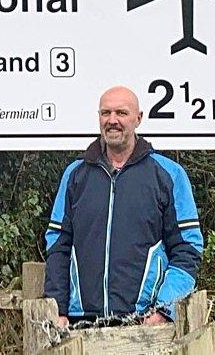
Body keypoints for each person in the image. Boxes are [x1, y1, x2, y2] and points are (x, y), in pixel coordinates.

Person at [44, 86, 203, 327]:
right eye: (105, 113)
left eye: (121, 113)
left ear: (138, 118)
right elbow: (59, 243)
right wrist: (57, 308)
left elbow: (187, 248)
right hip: (81, 324)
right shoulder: (75, 175)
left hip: (144, 323)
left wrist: (164, 309)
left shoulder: (169, 175)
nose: (112, 120)